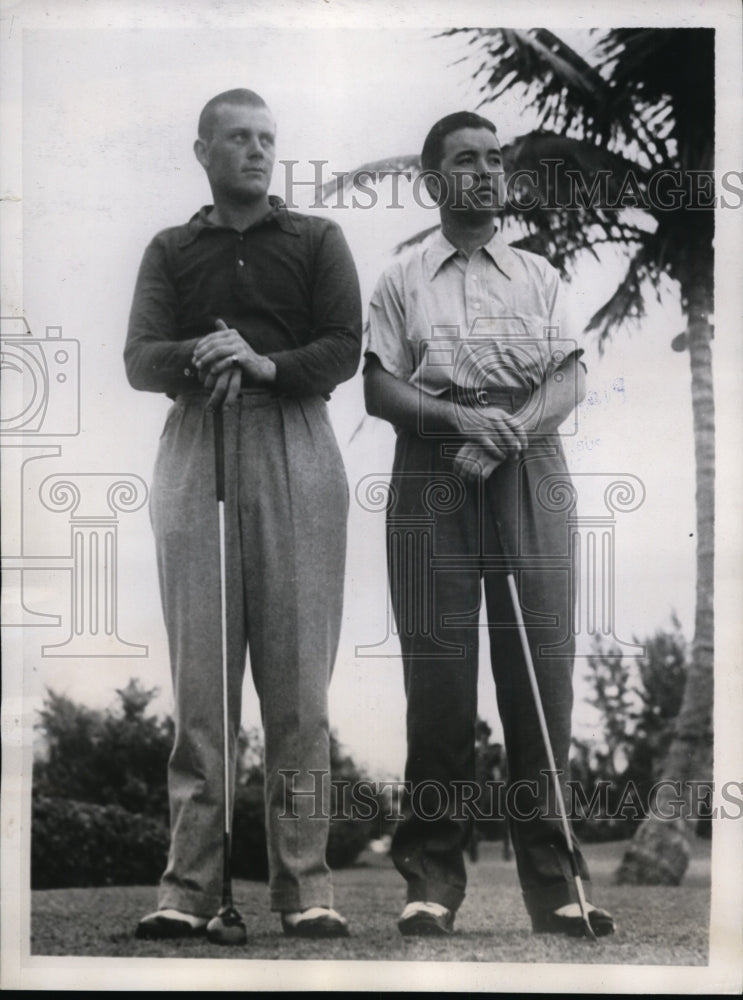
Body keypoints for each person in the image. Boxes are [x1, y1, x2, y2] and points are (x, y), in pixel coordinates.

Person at [364, 111, 615, 938]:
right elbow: (379, 390)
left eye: (494, 160)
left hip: (528, 464)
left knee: (537, 671)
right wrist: (458, 425)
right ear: (434, 181)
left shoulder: (537, 274)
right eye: (465, 160)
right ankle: (431, 878)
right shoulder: (401, 275)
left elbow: (569, 379)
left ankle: (557, 884)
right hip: (432, 468)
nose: (484, 172)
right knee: (437, 675)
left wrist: (511, 429)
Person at [125, 89, 361, 941]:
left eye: (267, 138)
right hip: (195, 436)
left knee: (298, 686)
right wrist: (204, 351)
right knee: (202, 687)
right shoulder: (170, 247)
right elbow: (138, 357)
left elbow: (344, 344)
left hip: (295, 438)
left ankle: (306, 890)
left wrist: (261, 362)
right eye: (237, 139)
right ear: (203, 151)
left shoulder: (316, 238)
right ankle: (186, 890)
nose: (256, 151)